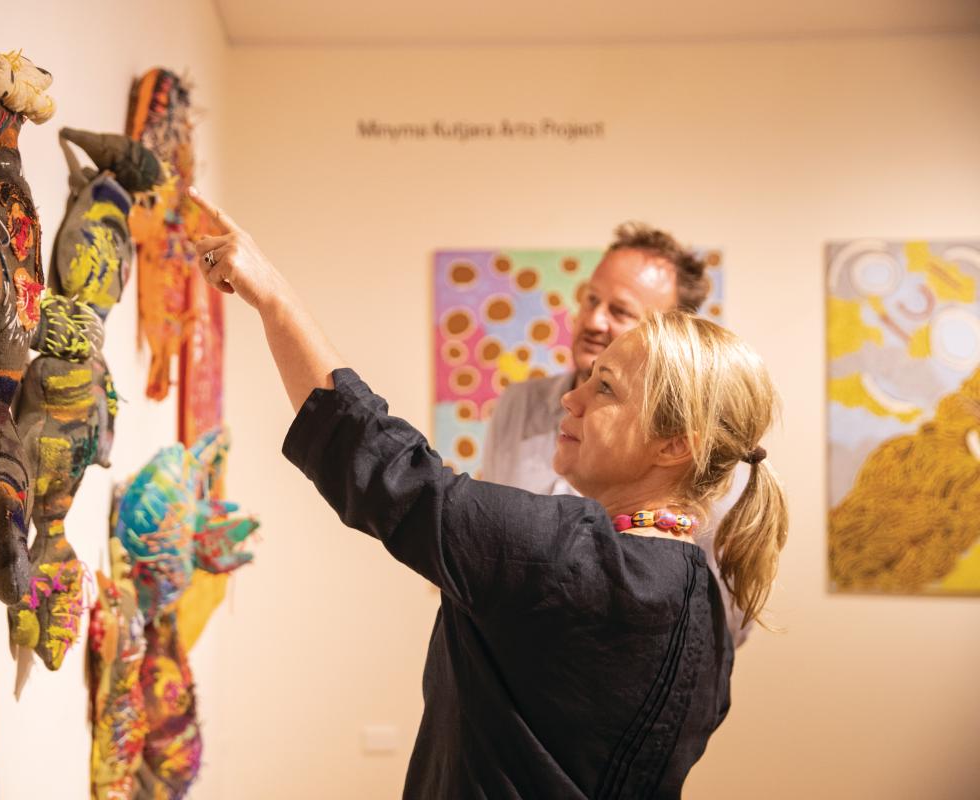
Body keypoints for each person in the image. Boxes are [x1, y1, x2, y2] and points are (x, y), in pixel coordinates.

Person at [189, 188, 788, 799]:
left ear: (673, 446)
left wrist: (274, 298)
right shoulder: (702, 611)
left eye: (604, 388)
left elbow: (383, 464)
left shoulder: (567, 561)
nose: (570, 398)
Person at [481, 225, 753, 646]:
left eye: (620, 311)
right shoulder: (517, 406)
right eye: (591, 299)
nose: (593, 320)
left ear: (671, 334)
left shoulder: (699, 446)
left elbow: (725, 620)